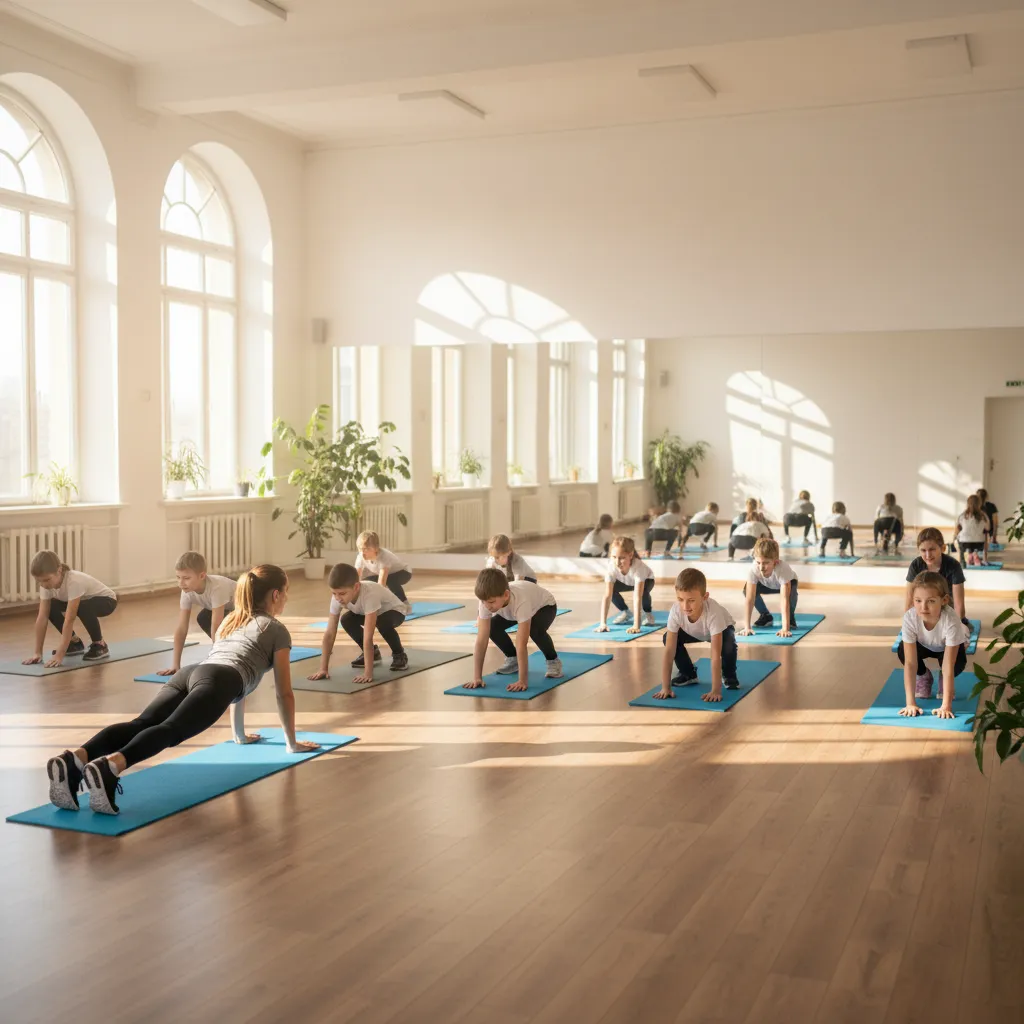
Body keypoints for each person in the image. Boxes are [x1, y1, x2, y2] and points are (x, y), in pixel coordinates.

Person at [44, 565, 319, 815]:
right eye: (286, 592)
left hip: (192, 672)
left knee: (141, 723)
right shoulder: (276, 630)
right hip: (220, 680)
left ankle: (73, 760)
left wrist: (239, 735)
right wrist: (291, 743)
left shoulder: (230, 620)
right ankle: (110, 767)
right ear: (274, 595)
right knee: (172, 730)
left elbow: (233, 674)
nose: (286, 598)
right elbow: (283, 692)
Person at [461, 568, 562, 692]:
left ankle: (553, 661)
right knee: (492, 627)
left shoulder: (521, 601)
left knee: (535, 631)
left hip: (544, 606)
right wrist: (477, 678)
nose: (487, 606)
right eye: (483, 602)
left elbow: (521, 644)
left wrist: (522, 681)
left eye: (491, 602)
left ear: (506, 595)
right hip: (513, 611)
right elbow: (481, 640)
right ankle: (512, 659)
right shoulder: (486, 600)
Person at [309, 562, 409, 682]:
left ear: (356, 587)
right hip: (371, 612)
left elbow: (368, 636)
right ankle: (375, 653)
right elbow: (330, 633)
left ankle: (399, 655)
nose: (337, 598)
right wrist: (323, 669)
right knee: (346, 620)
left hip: (395, 611)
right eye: (334, 593)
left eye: (342, 594)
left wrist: (368, 673)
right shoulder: (337, 597)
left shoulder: (369, 594)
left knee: (382, 623)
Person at [655, 567, 738, 702]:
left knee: (728, 645)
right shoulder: (676, 610)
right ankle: (688, 674)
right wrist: (665, 687)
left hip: (721, 630)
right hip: (694, 631)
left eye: (691, 600)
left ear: (705, 597)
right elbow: (669, 651)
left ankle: (729, 675)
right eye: (680, 599)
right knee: (668, 638)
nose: (685, 606)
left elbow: (715, 655)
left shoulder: (713, 612)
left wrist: (715, 690)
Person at [23, 550, 117, 666]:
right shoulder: (46, 586)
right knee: (51, 607)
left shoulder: (74, 581)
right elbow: (42, 617)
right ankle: (74, 643)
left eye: (46, 580)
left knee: (83, 606)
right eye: (39, 581)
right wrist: (37, 653)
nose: (43, 585)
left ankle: (100, 644)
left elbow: (69, 619)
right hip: (82, 602)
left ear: (59, 570)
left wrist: (59, 654)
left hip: (107, 601)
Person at [897, 571, 970, 717]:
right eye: (918, 601)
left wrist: (946, 706)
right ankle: (924, 675)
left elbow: (949, 664)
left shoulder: (951, 620)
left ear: (944, 600)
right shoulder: (910, 618)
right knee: (902, 651)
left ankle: (942, 679)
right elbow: (911, 663)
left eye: (930, 601)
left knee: (953, 666)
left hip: (947, 647)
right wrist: (910, 703)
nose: (923, 607)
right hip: (924, 644)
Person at [156, 551, 235, 677]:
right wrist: (175, 665)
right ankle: (227, 652)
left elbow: (216, 625)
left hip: (246, 609)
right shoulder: (186, 591)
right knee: (203, 618)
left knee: (220, 624)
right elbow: (182, 628)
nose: (181, 583)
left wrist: (217, 661)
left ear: (202, 576)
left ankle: (228, 655)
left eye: (186, 578)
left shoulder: (217, 588)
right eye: (178, 577)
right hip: (226, 610)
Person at [904, 528, 968, 623]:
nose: (928, 555)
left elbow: (959, 606)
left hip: (946, 610)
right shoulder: (916, 565)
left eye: (932, 549)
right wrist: (909, 625)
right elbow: (909, 601)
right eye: (923, 550)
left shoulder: (954, 566)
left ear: (943, 548)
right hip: (923, 610)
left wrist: (956, 627)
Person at [739, 538, 798, 638]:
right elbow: (750, 599)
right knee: (746, 590)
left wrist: (785, 629)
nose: (761, 567)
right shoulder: (754, 569)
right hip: (765, 584)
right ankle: (766, 616)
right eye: (758, 562)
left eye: (766, 563)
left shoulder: (783, 568)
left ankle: (790, 617)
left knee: (789, 596)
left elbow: (784, 600)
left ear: (775, 562)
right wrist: (747, 627)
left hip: (786, 583)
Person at [597, 536, 655, 633]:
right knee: (611, 590)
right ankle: (626, 612)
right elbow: (607, 595)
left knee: (643, 592)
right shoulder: (611, 566)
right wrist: (603, 623)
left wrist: (636, 625)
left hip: (647, 580)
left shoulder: (638, 567)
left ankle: (648, 613)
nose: (617, 562)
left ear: (631, 555)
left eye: (622, 558)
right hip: (626, 581)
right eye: (614, 557)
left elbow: (637, 597)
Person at [355, 531, 413, 602]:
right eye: (360, 549)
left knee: (390, 581)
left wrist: (377, 602)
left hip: (404, 572)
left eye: (366, 549)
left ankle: (404, 604)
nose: (363, 553)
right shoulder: (360, 556)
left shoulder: (384, 556)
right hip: (389, 574)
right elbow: (356, 578)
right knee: (366, 582)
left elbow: (381, 583)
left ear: (376, 548)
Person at [953, 494, 990, 566]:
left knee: (959, 536)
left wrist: (954, 537)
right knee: (985, 534)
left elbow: (957, 529)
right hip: (979, 544)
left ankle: (963, 558)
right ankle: (976, 555)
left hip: (964, 543)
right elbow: (988, 528)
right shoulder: (983, 515)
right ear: (979, 504)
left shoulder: (962, 515)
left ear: (967, 504)